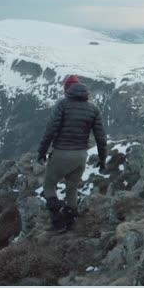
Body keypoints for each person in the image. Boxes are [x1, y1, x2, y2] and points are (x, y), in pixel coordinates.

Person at [36, 75, 108, 232]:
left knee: (49, 185)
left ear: (67, 89)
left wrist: (41, 153)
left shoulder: (62, 105)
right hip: (81, 156)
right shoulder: (93, 109)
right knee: (72, 188)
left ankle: (58, 223)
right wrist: (103, 161)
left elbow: (50, 131)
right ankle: (71, 221)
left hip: (62, 153)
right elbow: (101, 139)